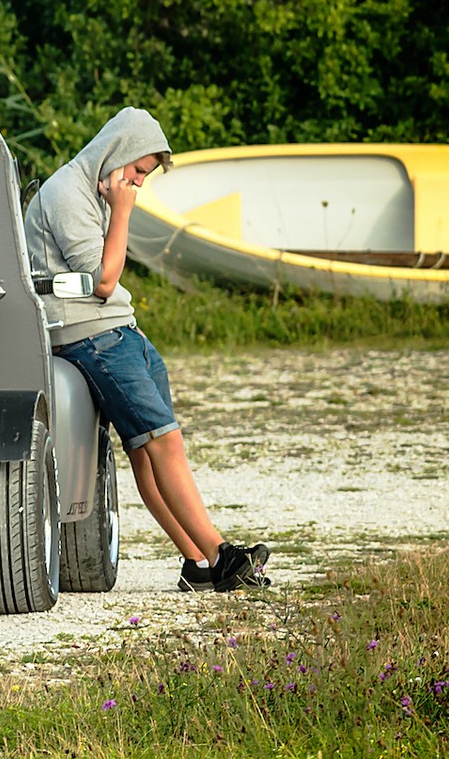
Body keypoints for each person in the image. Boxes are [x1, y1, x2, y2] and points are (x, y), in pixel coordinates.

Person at [23, 107, 271, 593]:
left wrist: (119, 205)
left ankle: (198, 564)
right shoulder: (65, 192)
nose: (137, 184)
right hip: (90, 334)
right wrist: (123, 209)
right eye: (137, 172)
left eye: (144, 178)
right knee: (164, 441)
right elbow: (104, 280)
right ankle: (221, 555)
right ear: (117, 153)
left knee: (148, 449)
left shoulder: (93, 193)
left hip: (121, 330)